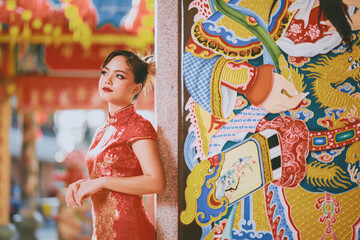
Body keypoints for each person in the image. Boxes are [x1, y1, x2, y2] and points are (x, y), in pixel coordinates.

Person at [65, 49, 166, 240]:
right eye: (105, 72)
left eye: (119, 76)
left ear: (136, 88)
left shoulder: (139, 126)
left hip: (130, 232)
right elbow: (112, 176)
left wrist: (101, 182)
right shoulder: (103, 130)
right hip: (102, 233)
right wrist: (85, 184)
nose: (108, 80)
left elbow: (156, 182)